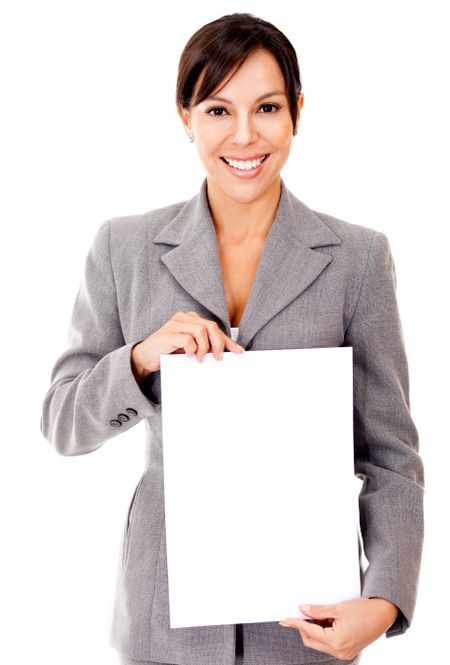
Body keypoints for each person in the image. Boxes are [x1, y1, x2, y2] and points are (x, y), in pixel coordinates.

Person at [40, 11, 424, 665]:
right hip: (163, 626)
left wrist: (384, 600)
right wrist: (138, 359)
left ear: (297, 111)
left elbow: (391, 456)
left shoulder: (358, 258)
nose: (244, 134)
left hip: (305, 626)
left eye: (267, 107)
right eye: (218, 110)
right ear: (185, 116)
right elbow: (62, 422)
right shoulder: (122, 247)